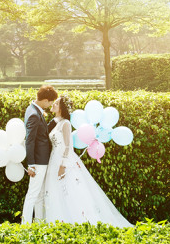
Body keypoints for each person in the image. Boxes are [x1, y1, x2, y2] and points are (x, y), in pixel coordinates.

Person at [41, 95, 133, 227]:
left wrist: (63, 165)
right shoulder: (57, 122)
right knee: (56, 191)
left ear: (61, 107)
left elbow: (68, 146)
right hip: (54, 158)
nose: (53, 105)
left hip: (62, 160)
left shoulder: (66, 123)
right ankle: (58, 222)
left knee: (70, 190)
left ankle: (76, 221)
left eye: (56, 103)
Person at [21, 85, 58, 224]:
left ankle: (39, 222)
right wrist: (31, 164)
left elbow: (42, 133)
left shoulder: (33, 109)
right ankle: (25, 225)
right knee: (33, 194)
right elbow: (29, 141)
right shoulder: (34, 115)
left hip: (41, 160)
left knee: (39, 195)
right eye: (50, 102)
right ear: (45, 100)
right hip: (38, 161)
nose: (50, 105)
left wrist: (55, 121)